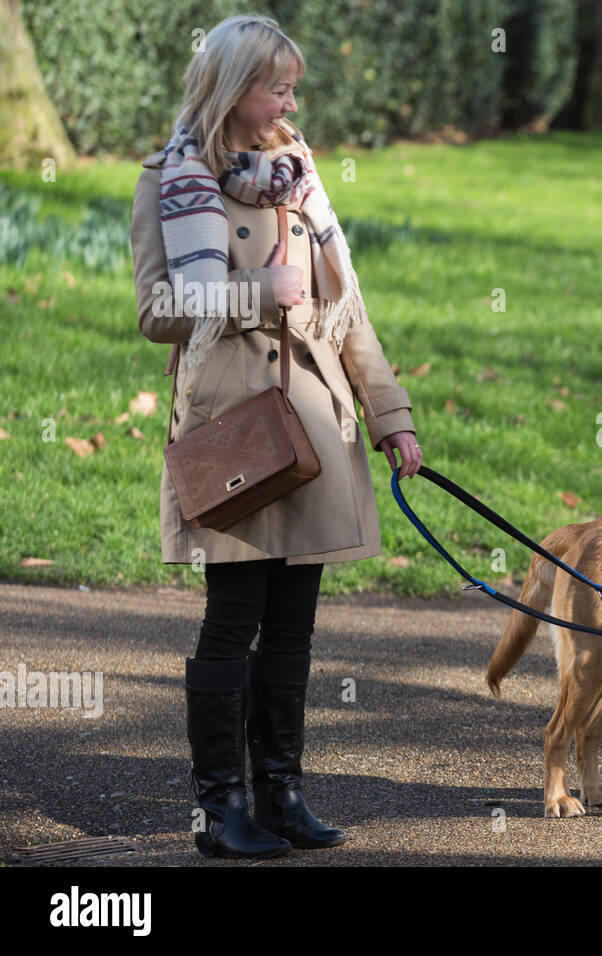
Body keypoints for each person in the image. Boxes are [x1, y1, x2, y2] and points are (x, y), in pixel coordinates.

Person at [129, 14, 423, 859]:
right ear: (232, 86)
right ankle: (220, 808)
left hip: (317, 425)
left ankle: (282, 794)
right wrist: (255, 292)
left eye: (293, 86)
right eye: (277, 86)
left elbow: (348, 313)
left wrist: (390, 414)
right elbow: (157, 313)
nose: (290, 101)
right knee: (233, 618)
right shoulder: (170, 179)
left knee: (294, 625)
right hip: (233, 428)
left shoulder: (300, 180)